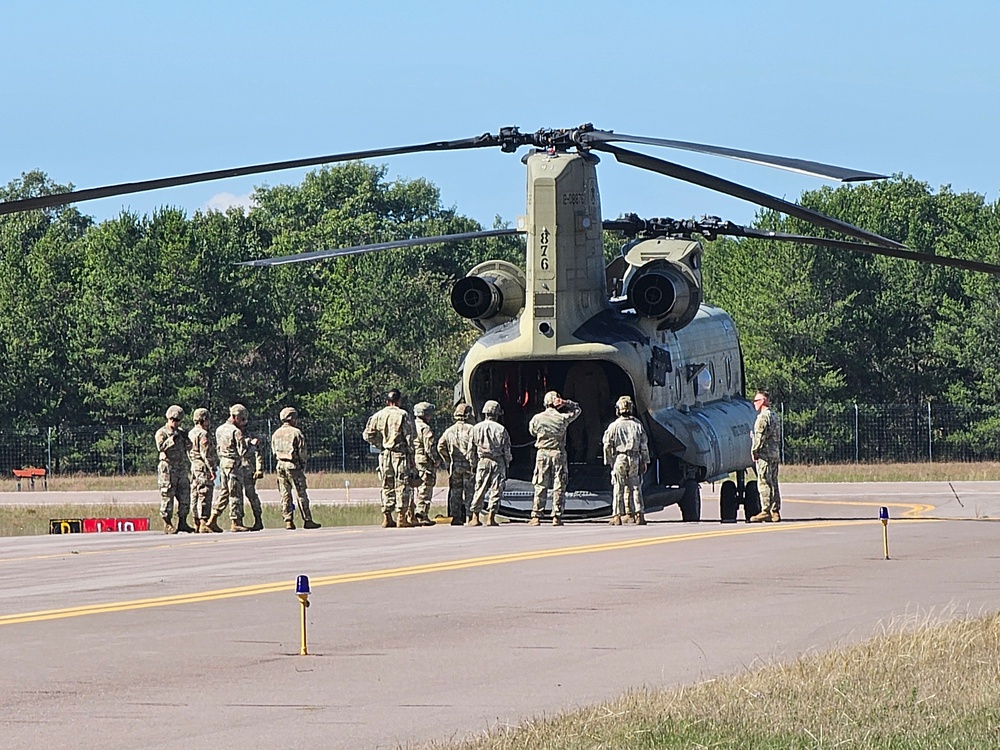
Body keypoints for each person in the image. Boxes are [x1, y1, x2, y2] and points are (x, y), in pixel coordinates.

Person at [363, 388, 417, 528]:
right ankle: (401, 516)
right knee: (402, 485)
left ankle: (387, 516)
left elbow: (367, 434)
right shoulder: (403, 414)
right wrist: (412, 455)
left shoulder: (378, 415)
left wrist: (379, 444)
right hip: (399, 454)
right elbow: (410, 437)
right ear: (399, 401)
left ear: (387, 401)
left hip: (385, 454)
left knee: (387, 484)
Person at [528, 391, 581, 526]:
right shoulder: (562, 418)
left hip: (542, 454)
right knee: (559, 485)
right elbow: (577, 410)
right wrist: (566, 402)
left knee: (540, 484)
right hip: (558, 453)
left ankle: (536, 516)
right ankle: (556, 516)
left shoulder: (537, 418)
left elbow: (532, 432)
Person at [602, 395, 650, 525]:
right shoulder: (637, 425)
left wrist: (610, 461)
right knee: (635, 486)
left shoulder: (613, 426)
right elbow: (644, 445)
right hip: (634, 457)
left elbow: (607, 445)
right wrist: (645, 460)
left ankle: (617, 516)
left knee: (618, 487)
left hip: (620, 457)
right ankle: (639, 514)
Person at [271, 406, 321, 530]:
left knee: (285, 494)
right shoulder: (296, 432)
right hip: (293, 465)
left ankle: (288, 520)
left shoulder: (276, 434)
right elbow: (302, 452)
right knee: (301, 493)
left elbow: (273, 451)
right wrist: (302, 464)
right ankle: (307, 519)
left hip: (280, 465)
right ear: (292, 418)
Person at [206, 404, 251, 532]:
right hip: (233, 464)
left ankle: (212, 519)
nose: (243, 423)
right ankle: (236, 522)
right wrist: (251, 445)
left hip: (223, 463)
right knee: (235, 493)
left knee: (224, 492)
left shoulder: (219, 429)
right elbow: (243, 452)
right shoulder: (236, 432)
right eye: (242, 419)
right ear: (235, 417)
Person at [468, 400, 511, 526]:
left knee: (479, 488)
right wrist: (507, 463)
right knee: (496, 489)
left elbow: (471, 449)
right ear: (497, 414)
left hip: (483, 461)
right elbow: (507, 449)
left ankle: (475, 517)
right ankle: (491, 517)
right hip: (498, 461)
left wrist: (473, 463)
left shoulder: (476, 428)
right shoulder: (501, 429)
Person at [155, 405, 194, 534]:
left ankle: (182, 521)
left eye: (177, 420)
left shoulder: (181, 432)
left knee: (185, 495)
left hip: (180, 467)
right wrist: (172, 439)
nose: (175, 422)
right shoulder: (162, 432)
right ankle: (167, 523)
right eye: (173, 420)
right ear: (168, 418)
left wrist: (185, 437)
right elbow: (160, 447)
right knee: (168, 495)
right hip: (168, 467)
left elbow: (190, 446)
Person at [437, 403, 475, 526]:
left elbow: (440, 446)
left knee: (455, 492)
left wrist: (447, 460)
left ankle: (455, 517)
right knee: (470, 491)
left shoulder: (449, 431)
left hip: (455, 466)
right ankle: (470, 516)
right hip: (469, 466)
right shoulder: (472, 430)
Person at [750, 390, 782, 522]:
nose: (754, 404)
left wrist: (754, 451)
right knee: (773, 481)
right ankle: (775, 511)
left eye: (756, 401)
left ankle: (765, 510)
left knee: (764, 481)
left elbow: (759, 436)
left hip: (765, 454)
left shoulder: (762, 417)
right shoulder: (774, 415)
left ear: (763, 401)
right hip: (774, 453)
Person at [188, 408, 218, 534]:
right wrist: (212, 469)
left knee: (194, 493)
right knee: (204, 493)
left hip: (194, 465)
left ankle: (195, 520)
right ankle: (203, 521)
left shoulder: (190, 433)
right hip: (202, 466)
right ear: (204, 419)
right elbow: (205, 453)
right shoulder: (203, 434)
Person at [411, 402, 442, 527]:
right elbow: (429, 447)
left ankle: (412, 513)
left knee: (415, 486)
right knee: (426, 486)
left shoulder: (411, 425)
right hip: (424, 460)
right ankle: (422, 514)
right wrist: (435, 460)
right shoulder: (425, 428)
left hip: (414, 459)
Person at [242, 422, 266, 531]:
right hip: (235, 467)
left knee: (251, 494)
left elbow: (258, 452)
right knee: (231, 494)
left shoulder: (249, 435)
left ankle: (258, 519)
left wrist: (259, 469)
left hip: (247, 468)